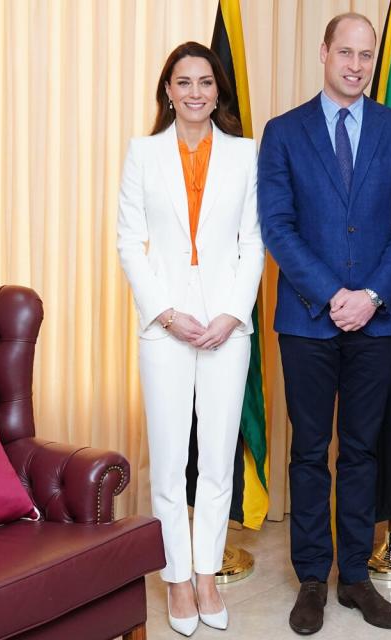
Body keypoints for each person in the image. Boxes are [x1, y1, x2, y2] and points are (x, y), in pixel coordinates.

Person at [257, 12, 391, 636]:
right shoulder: (283, 132)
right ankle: (310, 577)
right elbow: (278, 225)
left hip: (377, 323)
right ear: (323, 52)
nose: (355, 65)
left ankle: (353, 576)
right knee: (308, 451)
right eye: (345, 52)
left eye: (365, 54)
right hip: (306, 322)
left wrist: (373, 294)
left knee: (360, 450)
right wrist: (333, 295)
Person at [117, 42, 264, 637]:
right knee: (172, 459)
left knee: (218, 458)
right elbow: (130, 241)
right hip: (166, 326)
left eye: (206, 82)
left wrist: (231, 313)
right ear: (168, 91)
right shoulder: (143, 153)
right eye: (184, 82)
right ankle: (177, 576)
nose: (196, 92)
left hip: (228, 326)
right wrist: (166, 313)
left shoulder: (246, 155)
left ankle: (207, 572)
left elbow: (253, 242)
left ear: (218, 91)